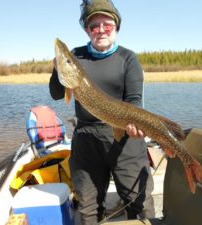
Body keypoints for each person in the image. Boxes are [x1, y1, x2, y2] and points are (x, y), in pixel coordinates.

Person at [49, 0, 154, 224]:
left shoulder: (128, 58)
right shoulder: (76, 56)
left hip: (125, 139)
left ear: (116, 27)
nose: (101, 30)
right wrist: (58, 69)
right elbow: (58, 93)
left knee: (140, 203)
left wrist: (135, 125)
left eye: (107, 25)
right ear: (87, 30)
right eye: (94, 26)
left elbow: (134, 101)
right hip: (86, 140)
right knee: (88, 209)